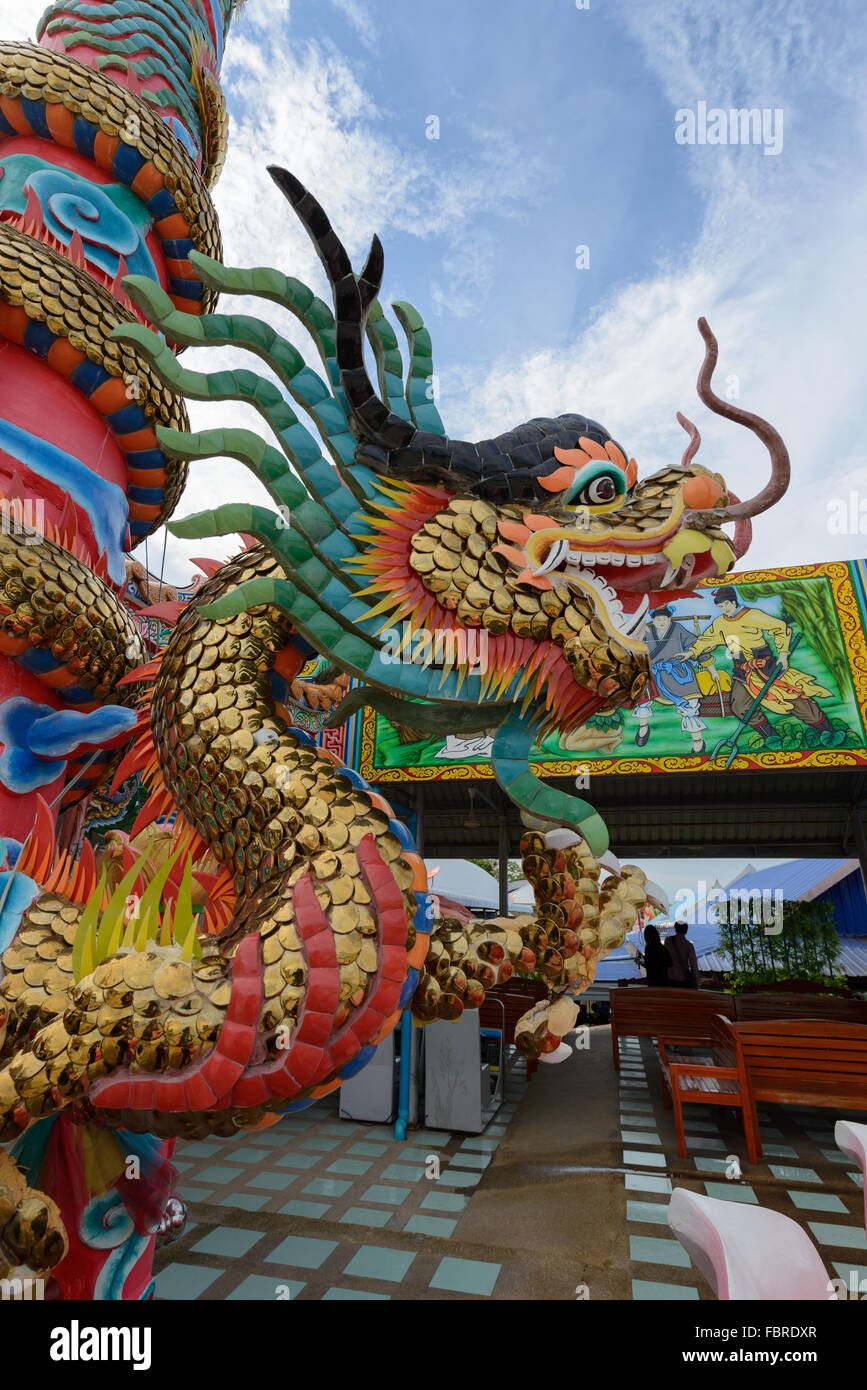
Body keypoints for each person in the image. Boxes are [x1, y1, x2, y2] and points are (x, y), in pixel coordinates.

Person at [686, 586, 833, 744]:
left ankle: (828, 732)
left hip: (764, 667)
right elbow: (707, 640)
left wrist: (783, 655)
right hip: (742, 670)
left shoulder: (753, 615)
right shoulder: (720, 622)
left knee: (791, 699)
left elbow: (781, 628)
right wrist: (691, 652)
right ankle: (773, 739)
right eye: (720, 606)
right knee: (740, 706)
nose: (724, 609)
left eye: (727, 604)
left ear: (734, 602)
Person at [667, 919, 700, 988]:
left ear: (675, 928)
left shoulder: (668, 941)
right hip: (683, 979)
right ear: (686, 931)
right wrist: (696, 982)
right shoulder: (689, 945)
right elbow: (693, 966)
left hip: (670, 978)